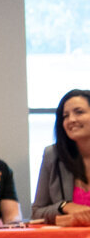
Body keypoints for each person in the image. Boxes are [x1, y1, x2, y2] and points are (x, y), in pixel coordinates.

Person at [32, 89, 90, 221]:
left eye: (79, 112)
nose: (71, 120)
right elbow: (36, 213)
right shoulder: (52, 155)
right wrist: (64, 206)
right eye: (65, 116)